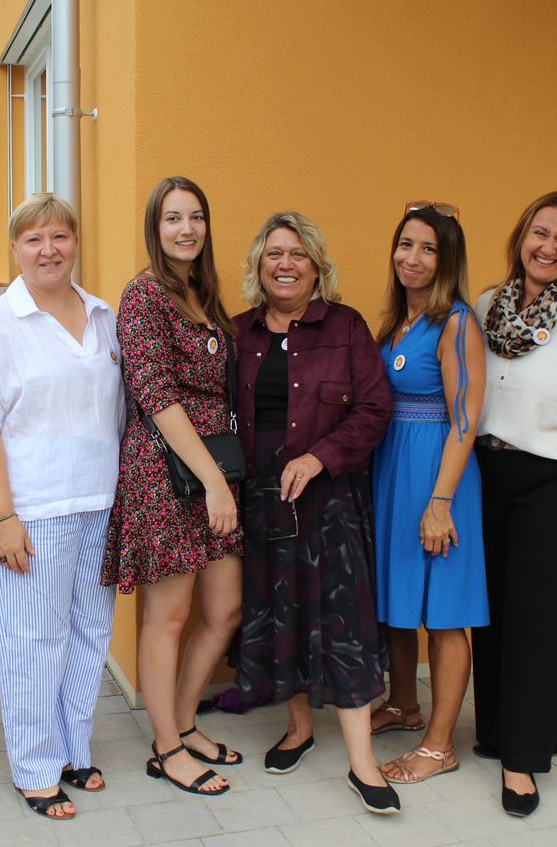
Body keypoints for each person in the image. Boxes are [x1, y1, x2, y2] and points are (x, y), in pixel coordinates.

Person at [0, 193, 125, 821]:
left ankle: (74, 749)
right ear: (16, 250)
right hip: (29, 512)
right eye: (33, 240)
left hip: (97, 503)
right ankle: (35, 767)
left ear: (76, 241)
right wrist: (2, 517)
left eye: (60, 236)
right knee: (29, 642)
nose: (48, 249)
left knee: (88, 635)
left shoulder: (103, 317)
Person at [231, 211, 399, 814]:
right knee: (277, 612)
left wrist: (319, 458)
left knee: (343, 618)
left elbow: (374, 410)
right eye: (274, 253)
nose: (285, 264)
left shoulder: (345, 327)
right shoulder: (239, 332)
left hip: (329, 501)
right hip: (259, 499)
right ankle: (299, 727)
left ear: (316, 264)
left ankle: (362, 762)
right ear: (258, 264)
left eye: (298, 254)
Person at [102, 176, 243, 797]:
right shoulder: (144, 296)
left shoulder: (204, 294)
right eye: (172, 219)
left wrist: (221, 477)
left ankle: (184, 723)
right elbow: (154, 394)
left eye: (195, 218)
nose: (186, 229)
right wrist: (213, 481)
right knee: (170, 615)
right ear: (155, 229)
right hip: (165, 471)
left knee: (224, 609)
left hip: (216, 469)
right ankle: (165, 749)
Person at [371, 202, 488, 785]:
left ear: (447, 260)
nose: (412, 258)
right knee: (395, 601)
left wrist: (439, 502)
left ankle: (438, 745)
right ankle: (402, 704)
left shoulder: (458, 322)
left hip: (438, 478)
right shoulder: (397, 322)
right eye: (405, 244)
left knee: (444, 614)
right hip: (392, 471)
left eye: (428, 248)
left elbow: (465, 419)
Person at [472, 191, 557, 817]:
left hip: (546, 477)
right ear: (522, 234)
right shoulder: (484, 307)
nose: (547, 248)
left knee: (533, 621)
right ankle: (494, 728)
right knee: (492, 610)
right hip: (483, 470)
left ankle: (522, 759)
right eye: (540, 232)